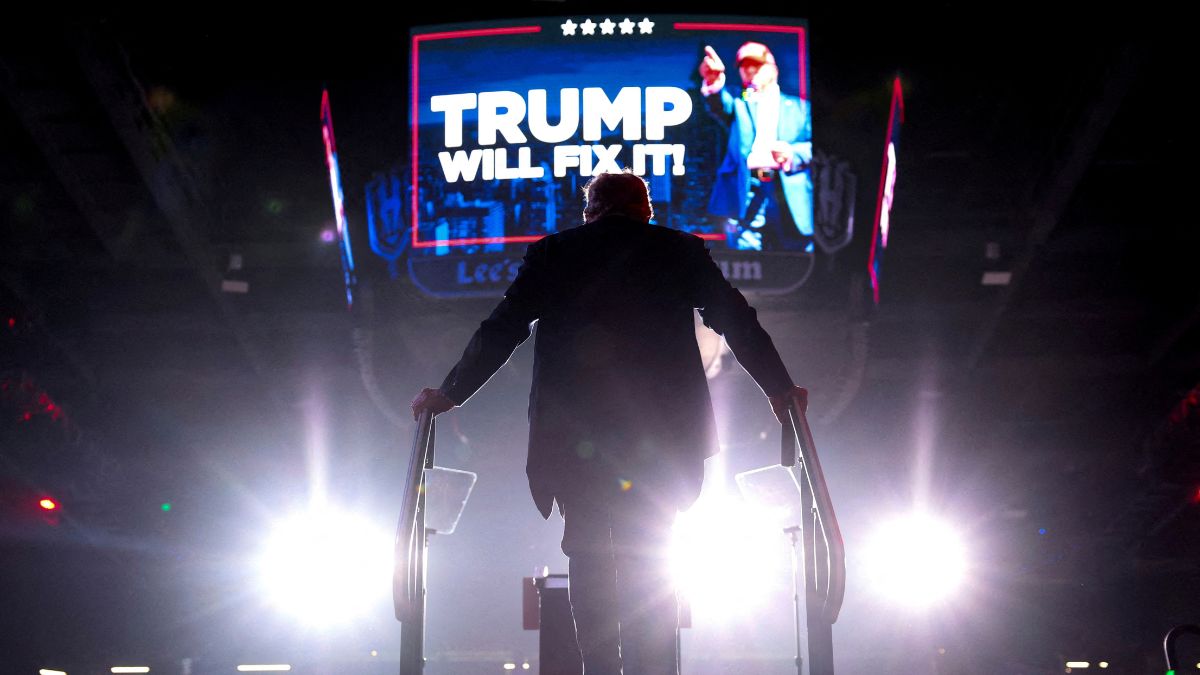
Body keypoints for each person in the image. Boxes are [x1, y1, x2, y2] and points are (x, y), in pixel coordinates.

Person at [411, 171, 807, 675]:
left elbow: (503, 328)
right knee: (656, 550)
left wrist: (450, 392)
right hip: (659, 438)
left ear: (589, 210)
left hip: (578, 439)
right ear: (646, 209)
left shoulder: (554, 252)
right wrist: (778, 387)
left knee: (589, 557)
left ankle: (599, 668)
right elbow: (735, 318)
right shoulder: (677, 249)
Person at [699, 41, 813, 252]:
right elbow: (719, 105)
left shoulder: (800, 108)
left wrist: (791, 153)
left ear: (773, 68)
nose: (750, 70)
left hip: (786, 189)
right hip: (747, 187)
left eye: (756, 64)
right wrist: (713, 82)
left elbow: (815, 148)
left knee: (795, 254)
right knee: (746, 255)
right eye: (744, 66)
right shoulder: (739, 101)